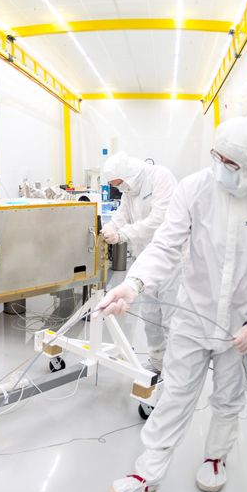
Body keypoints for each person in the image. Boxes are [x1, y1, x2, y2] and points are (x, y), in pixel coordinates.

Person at [99, 117, 247, 492]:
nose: (220, 166)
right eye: (217, 156)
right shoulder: (193, 190)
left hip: (240, 326)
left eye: (231, 162)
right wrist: (133, 283)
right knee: (175, 392)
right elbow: (165, 245)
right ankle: (148, 473)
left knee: (229, 395)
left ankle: (215, 458)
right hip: (193, 315)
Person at [100, 151, 179, 372]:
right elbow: (122, 213)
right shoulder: (130, 189)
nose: (121, 189)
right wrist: (112, 227)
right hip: (146, 259)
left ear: (129, 176)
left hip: (172, 259)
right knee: (151, 315)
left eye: (121, 184)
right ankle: (156, 363)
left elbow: (160, 220)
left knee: (172, 317)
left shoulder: (160, 177)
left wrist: (124, 234)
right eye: (118, 186)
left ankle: (174, 370)